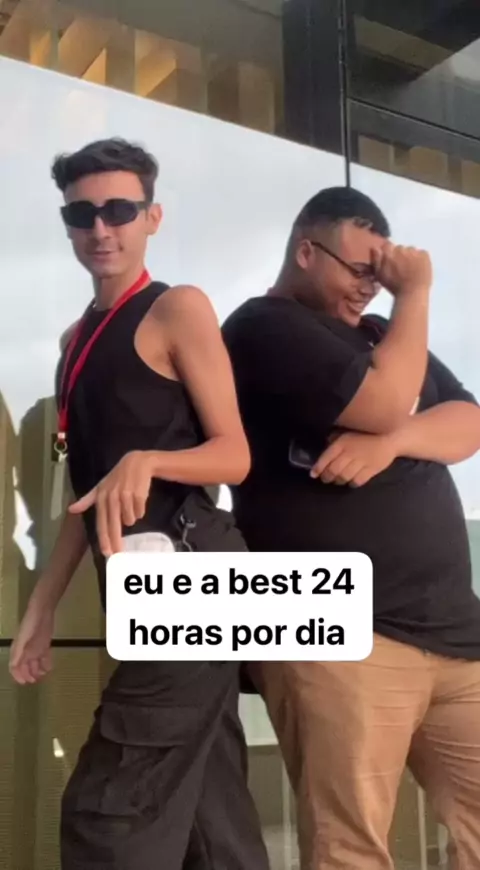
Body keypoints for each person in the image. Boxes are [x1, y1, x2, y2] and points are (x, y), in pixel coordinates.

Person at [9, 138, 270, 870]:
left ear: (152, 217)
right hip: (139, 590)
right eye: (82, 214)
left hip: (194, 574)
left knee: (108, 815)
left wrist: (148, 460)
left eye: (119, 210)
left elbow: (234, 455)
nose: (101, 228)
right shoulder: (73, 344)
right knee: (212, 817)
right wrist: (40, 609)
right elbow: (83, 496)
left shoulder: (177, 309)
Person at [222, 187, 480, 870]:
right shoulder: (263, 329)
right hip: (343, 635)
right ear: (306, 252)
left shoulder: (383, 337)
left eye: (383, 276)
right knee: (351, 849)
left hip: (455, 635)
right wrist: (415, 292)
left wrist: (393, 443)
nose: (372, 287)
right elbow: (385, 400)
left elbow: (469, 425)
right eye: (361, 269)